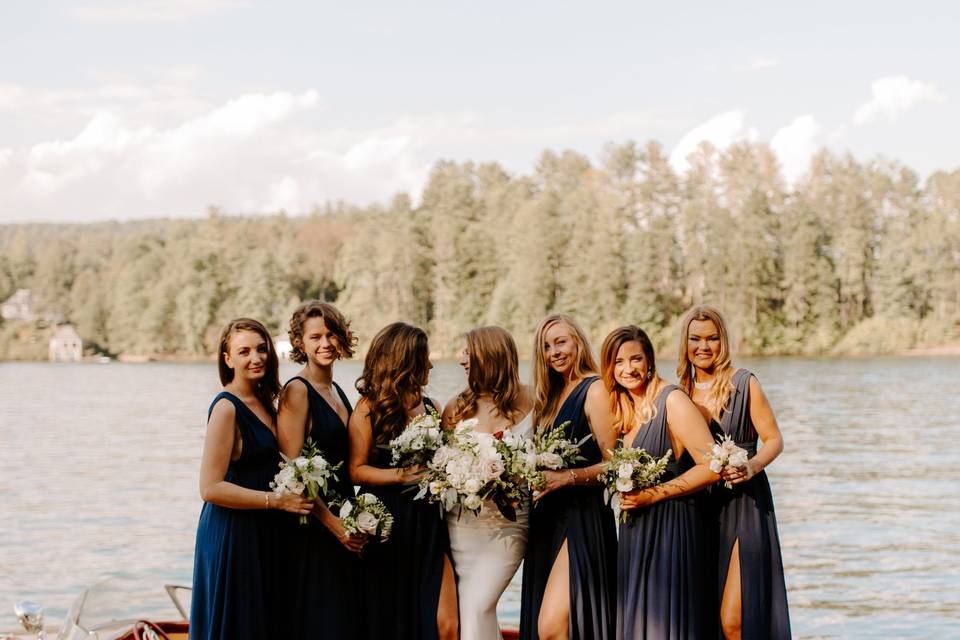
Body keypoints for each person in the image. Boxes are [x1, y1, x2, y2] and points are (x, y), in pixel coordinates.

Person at [190, 318, 312, 640]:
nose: (255, 358)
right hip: (234, 534)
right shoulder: (226, 408)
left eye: (261, 349)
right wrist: (277, 501)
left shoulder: (267, 403)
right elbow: (210, 487)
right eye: (244, 351)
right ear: (228, 359)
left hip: (265, 532)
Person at [678, 305, 791, 639]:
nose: (704, 346)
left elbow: (774, 440)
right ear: (685, 343)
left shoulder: (744, 383)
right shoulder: (678, 393)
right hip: (698, 509)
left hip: (744, 505)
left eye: (712, 338)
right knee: (704, 612)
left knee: (735, 617)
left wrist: (752, 466)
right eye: (695, 338)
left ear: (723, 341)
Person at [602, 324, 719, 640]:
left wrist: (653, 495)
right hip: (634, 532)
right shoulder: (625, 411)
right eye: (619, 362)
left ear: (649, 360)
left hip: (672, 529)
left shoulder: (672, 400)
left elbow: (712, 467)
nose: (628, 369)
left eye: (635, 359)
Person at [347, 322, 458, 640]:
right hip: (387, 525)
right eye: (425, 358)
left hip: (430, 525)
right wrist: (401, 475)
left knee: (445, 624)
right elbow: (356, 470)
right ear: (406, 362)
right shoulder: (368, 408)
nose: (432, 365)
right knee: (390, 620)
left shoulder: (435, 409)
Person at [519, 314, 618, 640]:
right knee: (548, 626)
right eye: (547, 347)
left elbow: (616, 465)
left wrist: (569, 477)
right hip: (546, 519)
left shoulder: (596, 389)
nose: (554, 352)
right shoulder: (547, 398)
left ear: (577, 341)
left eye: (561, 342)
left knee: (552, 627)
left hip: (582, 519)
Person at [277, 301, 364, 639]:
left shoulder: (338, 391)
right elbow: (290, 472)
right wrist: (333, 525)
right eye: (315, 337)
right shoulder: (297, 391)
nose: (325, 343)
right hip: (313, 528)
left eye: (331, 335)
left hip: (344, 526)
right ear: (300, 343)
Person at [442, 326, 534, 640]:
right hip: (462, 526)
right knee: (473, 610)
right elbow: (442, 467)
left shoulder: (533, 399)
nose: (461, 359)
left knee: (478, 605)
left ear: (490, 356)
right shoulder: (456, 408)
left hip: (509, 525)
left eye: (468, 352)